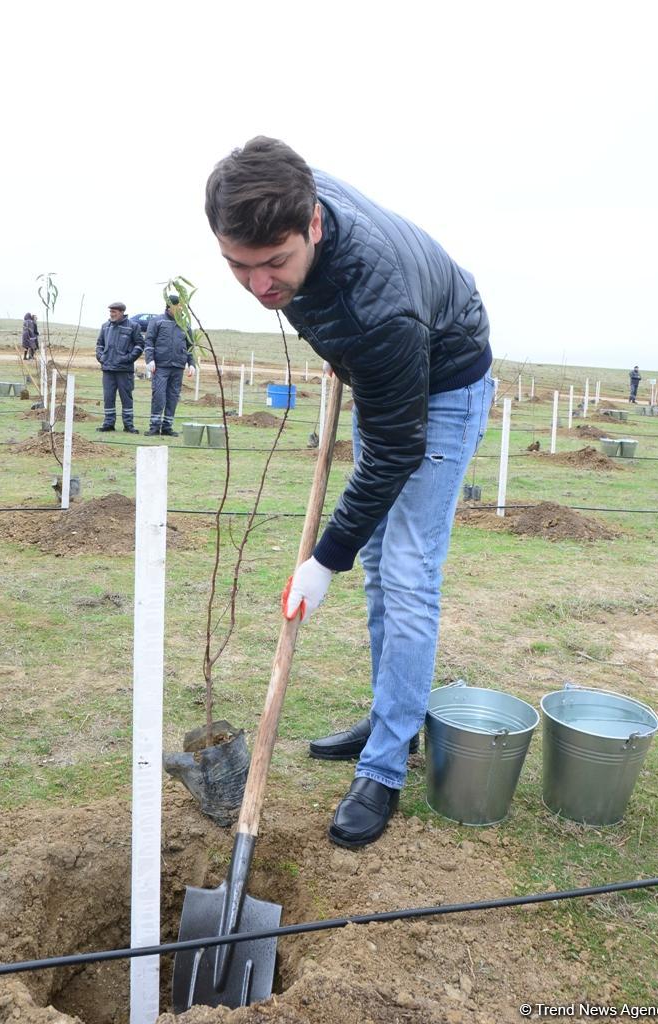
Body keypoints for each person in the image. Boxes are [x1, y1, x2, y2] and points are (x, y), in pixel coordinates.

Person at [206, 137, 493, 848]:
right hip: (379, 370)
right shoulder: (283, 194)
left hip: (444, 375)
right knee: (378, 578)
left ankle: (387, 766)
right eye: (238, 266)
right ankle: (389, 709)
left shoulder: (376, 304)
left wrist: (323, 558)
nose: (260, 284)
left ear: (315, 226)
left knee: (406, 570)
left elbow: (397, 450)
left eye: (276, 264)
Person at [143, 294, 196, 436]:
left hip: (178, 366)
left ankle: (167, 427)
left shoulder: (185, 324)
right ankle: (154, 427)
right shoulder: (157, 321)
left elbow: (190, 346)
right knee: (159, 396)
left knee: (173, 396)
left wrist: (191, 364)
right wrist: (150, 359)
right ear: (170, 306)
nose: (181, 309)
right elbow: (149, 341)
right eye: (179, 306)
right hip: (161, 366)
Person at [95, 301, 144, 433]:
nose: (111, 314)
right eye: (110, 312)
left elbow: (139, 345)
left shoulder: (133, 326)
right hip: (108, 369)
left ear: (121, 312)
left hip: (124, 370)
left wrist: (128, 359)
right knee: (108, 398)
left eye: (114, 312)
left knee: (126, 398)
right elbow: (99, 344)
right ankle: (108, 424)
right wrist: (101, 357)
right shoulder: (105, 326)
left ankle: (129, 425)